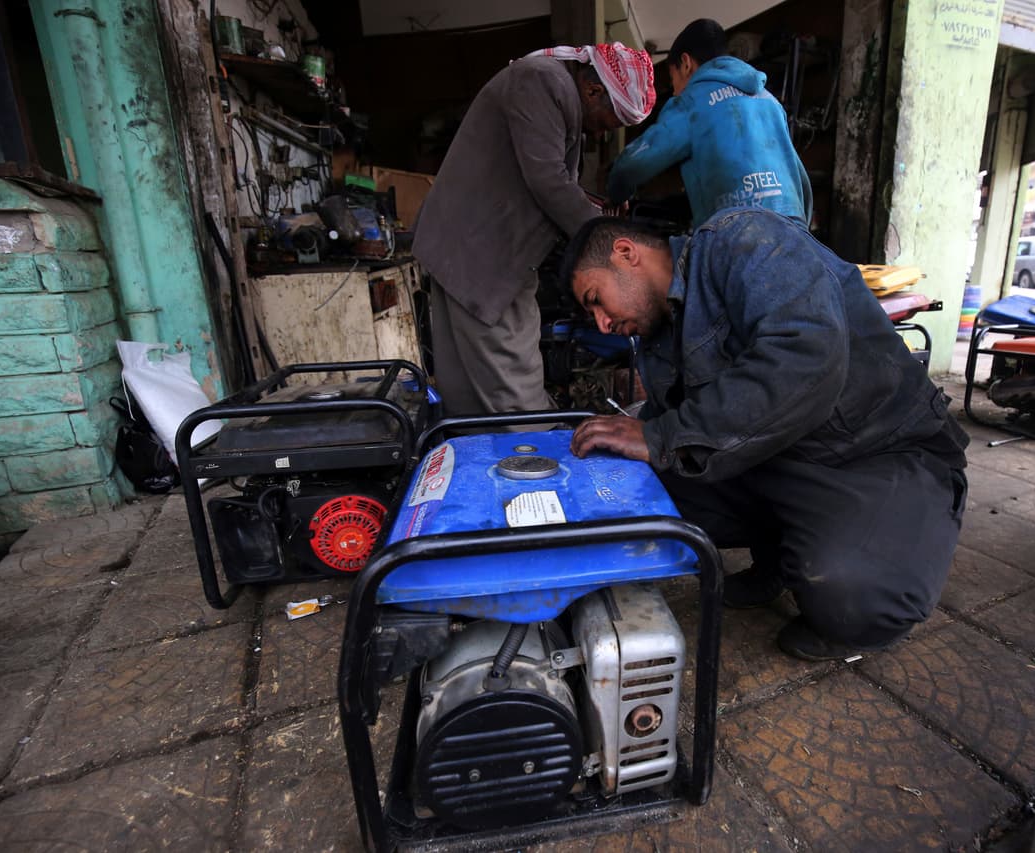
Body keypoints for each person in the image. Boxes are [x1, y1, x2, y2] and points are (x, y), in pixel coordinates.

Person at [561, 210, 969, 661]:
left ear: (625, 253)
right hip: (773, 460)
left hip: (872, 453)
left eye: (596, 300)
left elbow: (805, 359)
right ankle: (781, 552)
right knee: (633, 486)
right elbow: (678, 426)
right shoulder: (657, 334)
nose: (602, 324)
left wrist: (661, 437)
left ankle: (861, 580)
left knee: (853, 596)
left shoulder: (744, 240)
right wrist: (637, 442)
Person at [412, 43, 655, 417]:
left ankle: (477, 448)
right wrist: (611, 241)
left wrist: (594, 207)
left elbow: (542, 174)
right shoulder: (542, 82)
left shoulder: (548, 84)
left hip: (464, 247)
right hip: (483, 255)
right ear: (593, 91)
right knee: (513, 385)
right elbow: (548, 180)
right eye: (608, 124)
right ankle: (532, 450)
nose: (601, 134)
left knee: (466, 389)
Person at [605, 19, 812, 230]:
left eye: (673, 79)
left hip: (736, 231)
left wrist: (616, 194)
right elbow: (801, 181)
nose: (675, 91)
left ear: (686, 63)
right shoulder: (770, 101)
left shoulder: (691, 102)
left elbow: (632, 166)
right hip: (795, 232)